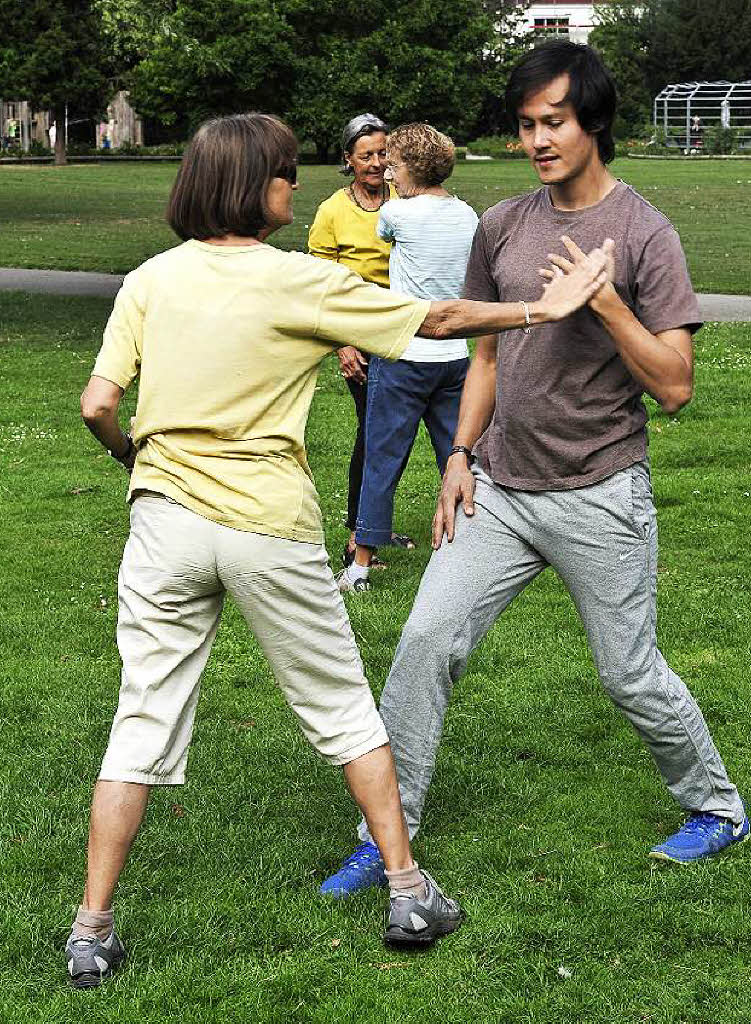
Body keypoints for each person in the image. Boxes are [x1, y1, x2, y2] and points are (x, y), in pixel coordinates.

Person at [66, 111, 609, 986]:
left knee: (142, 719)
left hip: (161, 522)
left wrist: (142, 463)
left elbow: (97, 403)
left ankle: (91, 928)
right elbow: (434, 317)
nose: (293, 184)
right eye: (284, 173)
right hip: (264, 525)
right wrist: (541, 306)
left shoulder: (148, 281)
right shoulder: (298, 281)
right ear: (254, 187)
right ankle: (406, 890)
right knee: (343, 705)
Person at [322, 40, 750, 898]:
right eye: (525, 125)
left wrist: (604, 304)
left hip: (599, 488)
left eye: (552, 122)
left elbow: (673, 387)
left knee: (627, 670)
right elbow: (483, 361)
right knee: (423, 641)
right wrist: (457, 454)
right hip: (501, 489)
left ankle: (717, 806)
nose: (537, 140)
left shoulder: (643, 233)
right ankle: (389, 830)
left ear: (592, 122)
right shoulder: (503, 226)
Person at [337, 123, 479, 594]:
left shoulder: (396, 212)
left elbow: (384, 233)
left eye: (393, 165)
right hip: (454, 356)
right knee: (457, 457)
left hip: (402, 353)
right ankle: (472, 550)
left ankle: (360, 564)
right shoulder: (467, 215)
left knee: (383, 457)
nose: (388, 173)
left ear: (412, 169)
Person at [308, 114, 413, 568]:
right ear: (348, 160)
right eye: (366, 154)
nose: (376, 162)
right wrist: (344, 346)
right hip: (360, 334)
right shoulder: (333, 211)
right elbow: (321, 286)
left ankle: (374, 524)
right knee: (376, 432)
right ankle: (357, 535)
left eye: (382, 153)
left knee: (396, 433)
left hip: (407, 327)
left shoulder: (407, 198)